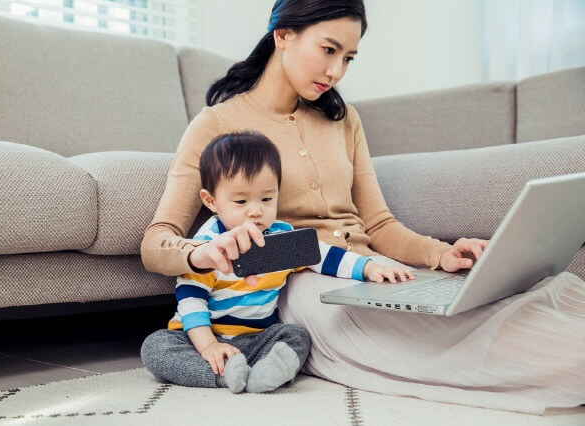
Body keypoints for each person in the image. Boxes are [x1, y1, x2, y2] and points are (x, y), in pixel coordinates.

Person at [140, 0, 585, 413]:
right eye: (328, 50)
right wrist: (199, 254)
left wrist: (440, 253)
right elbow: (157, 241)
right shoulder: (217, 125)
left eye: (348, 58)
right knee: (459, 337)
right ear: (283, 34)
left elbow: (378, 223)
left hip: (370, 267)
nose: (336, 71)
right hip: (304, 279)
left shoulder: (343, 119)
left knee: (511, 294)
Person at [142, 131, 415, 393]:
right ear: (211, 201)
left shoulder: (281, 238)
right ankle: (223, 375)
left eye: (266, 198)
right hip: (200, 337)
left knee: (296, 336)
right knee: (155, 348)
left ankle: (264, 375)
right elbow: (191, 302)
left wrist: (370, 268)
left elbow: (325, 256)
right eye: (240, 201)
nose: (256, 210)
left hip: (257, 338)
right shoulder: (209, 246)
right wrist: (209, 347)